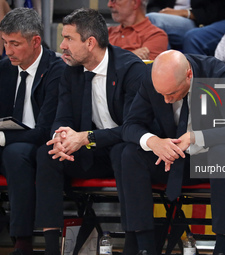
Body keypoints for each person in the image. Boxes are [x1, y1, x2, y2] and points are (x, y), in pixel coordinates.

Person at [34, 8, 146, 255]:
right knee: (47, 154)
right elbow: (61, 118)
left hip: (124, 147)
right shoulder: (70, 71)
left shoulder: (130, 69)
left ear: (90, 42)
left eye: (69, 39)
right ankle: (52, 248)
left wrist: (85, 138)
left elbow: (133, 128)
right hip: (91, 150)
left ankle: (132, 245)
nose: (61, 45)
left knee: (123, 152)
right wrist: (60, 139)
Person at [117, 50, 225, 255]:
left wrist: (196, 136)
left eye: (171, 93)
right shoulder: (151, 77)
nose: (167, 100)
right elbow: (130, 126)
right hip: (171, 157)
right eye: (161, 94)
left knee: (223, 153)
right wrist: (154, 142)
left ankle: (223, 246)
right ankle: (144, 247)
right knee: (128, 153)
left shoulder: (218, 75)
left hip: (208, 160)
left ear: (189, 75)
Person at [0, 7, 66, 255]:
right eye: (5, 42)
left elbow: (46, 130)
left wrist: (3, 137)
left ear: (36, 41)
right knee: (13, 152)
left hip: (40, 145)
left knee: (15, 154)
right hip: (9, 143)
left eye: (15, 44)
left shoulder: (56, 70)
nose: (8, 51)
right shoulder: (4, 68)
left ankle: (22, 242)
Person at [146, 0, 225, 51]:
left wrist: (186, 13)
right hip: (167, 17)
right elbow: (153, 5)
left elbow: (220, 9)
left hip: (198, 20)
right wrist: (162, 13)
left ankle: (166, 71)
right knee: (149, 20)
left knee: (154, 20)